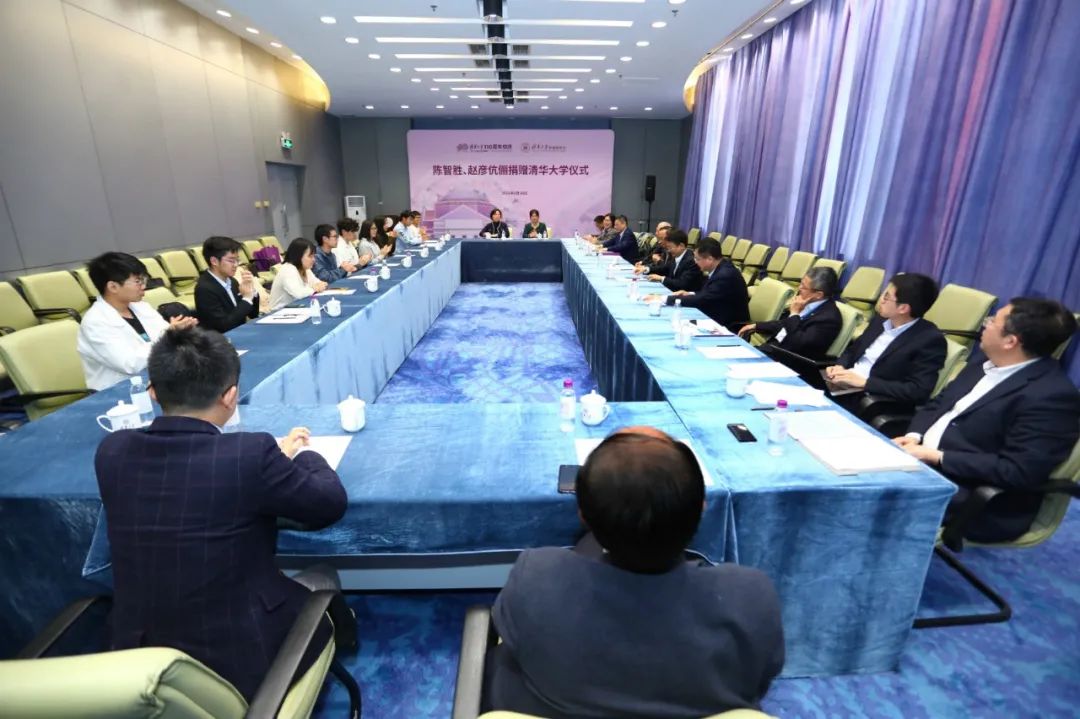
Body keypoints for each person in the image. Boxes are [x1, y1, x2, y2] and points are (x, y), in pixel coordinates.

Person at [94, 326, 349, 702]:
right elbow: (328, 503)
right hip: (240, 665)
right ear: (230, 397)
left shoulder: (112, 451)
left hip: (135, 662)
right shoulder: (250, 455)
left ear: (153, 392)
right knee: (323, 577)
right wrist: (304, 455)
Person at [485, 427, 784, 718]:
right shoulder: (750, 597)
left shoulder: (537, 577)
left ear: (583, 515)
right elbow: (758, 682)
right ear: (702, 509)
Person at [895, 299, 1080, 542]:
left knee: (868, 498)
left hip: (972, 493)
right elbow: (939, 404)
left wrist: (937, 456)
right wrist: (913, 436)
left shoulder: (1051, 396)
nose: (985, 324)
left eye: (992, 321)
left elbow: (1017, 471)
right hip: (923, 461)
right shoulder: (985, 363)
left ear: (1010, 341)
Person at [823, 273, 946, 411]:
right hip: (843, 386)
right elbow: (853, 350)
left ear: (903, 308)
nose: (881, 300)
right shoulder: (880, 320)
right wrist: (840, 366)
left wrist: (866, 383)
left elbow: (918, 391)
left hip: (870, 400)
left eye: (886, 297)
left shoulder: (930, 340)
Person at [76, 252, 197, 390]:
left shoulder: (141, 307)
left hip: (156, 379)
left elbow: (165, 338)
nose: (144, 286)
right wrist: (169, 335)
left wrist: (180, 333)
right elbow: (129, 364)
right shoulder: (95, 322)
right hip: (118, 391)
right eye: (138, 281)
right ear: (113, 287)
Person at [644, 237, 749, 328]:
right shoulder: (721, 267)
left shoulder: (725, 275)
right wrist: (690, 293)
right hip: (714, 314)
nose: (695, 261)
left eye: (697, 259)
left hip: (727, 325)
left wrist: (663, 298)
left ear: (710, 259)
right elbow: (709, 293)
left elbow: (703, 299)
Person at [740, 267, 842, 360]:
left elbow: (797, 344)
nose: (799, 288)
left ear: (818, 294)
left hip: (787, 360)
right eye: (801, 283)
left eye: (804, 287)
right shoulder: (807, 302)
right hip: (771, 349)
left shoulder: (829, 319)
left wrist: (794, 314)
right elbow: (784, 323)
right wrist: (757, 325)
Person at [194, 236, 260, 333]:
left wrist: (251, 292)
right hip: (222, 338)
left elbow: (253, 314)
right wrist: (246, 299)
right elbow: (224, 326)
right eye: (231, 260)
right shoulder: (204, 289)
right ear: (214, 261)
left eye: (237, 260)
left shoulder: (232, 281)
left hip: (241, 332)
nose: (236, 265)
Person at [269, 238, 327, 310]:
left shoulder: (305, 268)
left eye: (313, 256)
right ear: (298, 256)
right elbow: (299, 294)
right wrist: (314, 288)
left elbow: (320, 284)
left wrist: (318, 286)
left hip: (296, 308)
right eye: (310, 256)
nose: (314, 259)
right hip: (278, 312)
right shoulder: (288, 269)